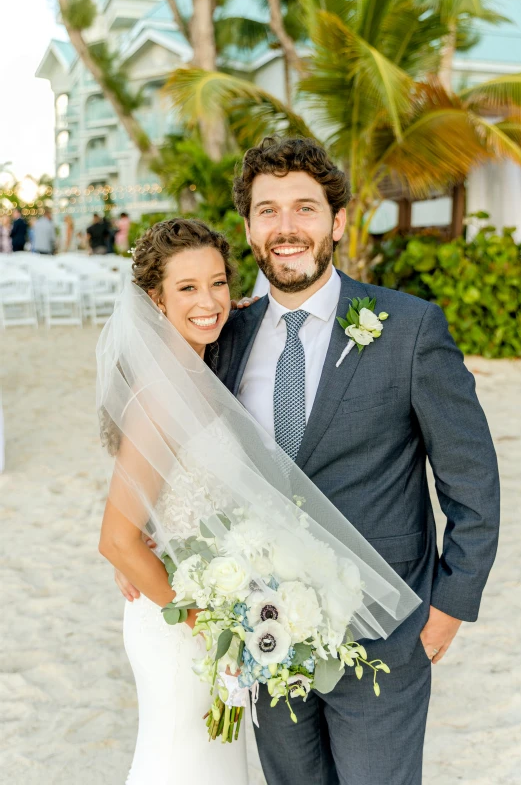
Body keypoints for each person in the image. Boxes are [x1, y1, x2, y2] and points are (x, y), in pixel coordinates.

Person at [114, 137, 499, 785]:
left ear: (337, 222)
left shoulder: (407, 329)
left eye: (304, 208)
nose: (285, 228)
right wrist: (152, 539)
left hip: (383, 634)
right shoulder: (223, 336)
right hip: (265, 633)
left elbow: (471, 479)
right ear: (248, 227)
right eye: (267, 211)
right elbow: (173, 449)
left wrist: (451, 605)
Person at [98, 218, 420, 784]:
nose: (209, 301)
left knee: (215, 761)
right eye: (187, 288)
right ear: (155, 299)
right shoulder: (157, 397)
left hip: (212, 610)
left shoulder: (200, 369)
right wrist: (209, 625)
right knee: (179, 756)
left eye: (218, 283)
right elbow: (116, 540)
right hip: (182, 623)